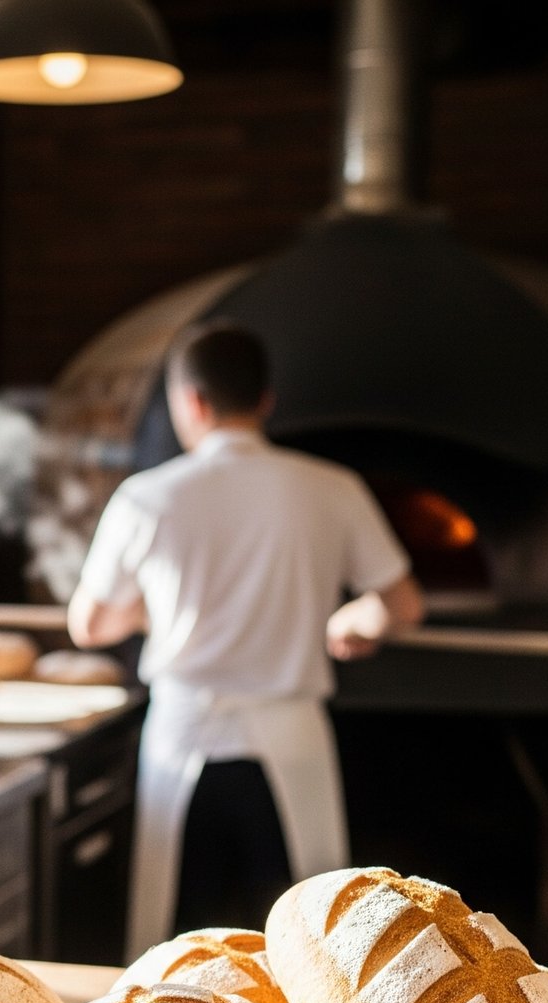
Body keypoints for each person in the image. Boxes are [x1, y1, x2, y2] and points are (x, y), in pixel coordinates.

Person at [68, 320, 424, 956]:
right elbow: (401, 605)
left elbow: (90, 624)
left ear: (191, 403)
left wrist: (158, 613)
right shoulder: (332, 487)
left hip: (183, 738)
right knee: (307, 951)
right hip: (291, 737)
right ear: (265, 401)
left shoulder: (147, 497)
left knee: (177, 948)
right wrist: (353, 621)